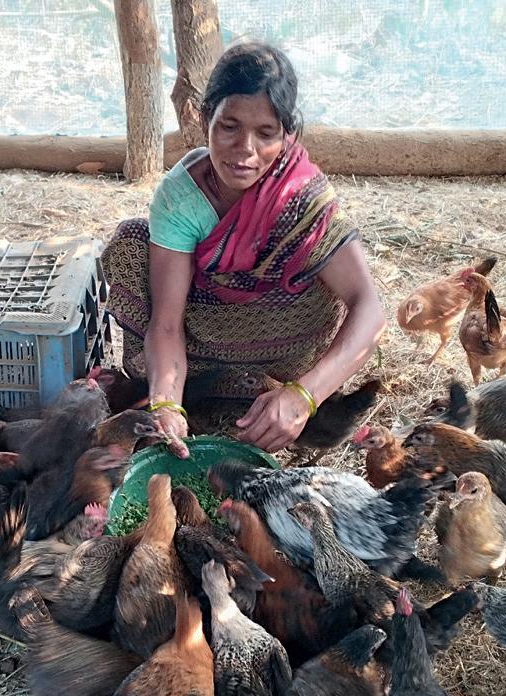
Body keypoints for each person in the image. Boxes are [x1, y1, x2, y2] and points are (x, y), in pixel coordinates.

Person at [102, 41, 385, 454]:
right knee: (131, 244)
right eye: (229, 127)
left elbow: (370, 308)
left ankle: (275, 394)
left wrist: (303, 396)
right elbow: (166, 324)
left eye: (265, 133)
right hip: (201, 348)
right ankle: (202, 393)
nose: (245, 149)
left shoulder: (301, 198)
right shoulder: (182, 198)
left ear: (288, 134)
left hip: (287, 349)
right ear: (204, 119)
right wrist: (166, 404)